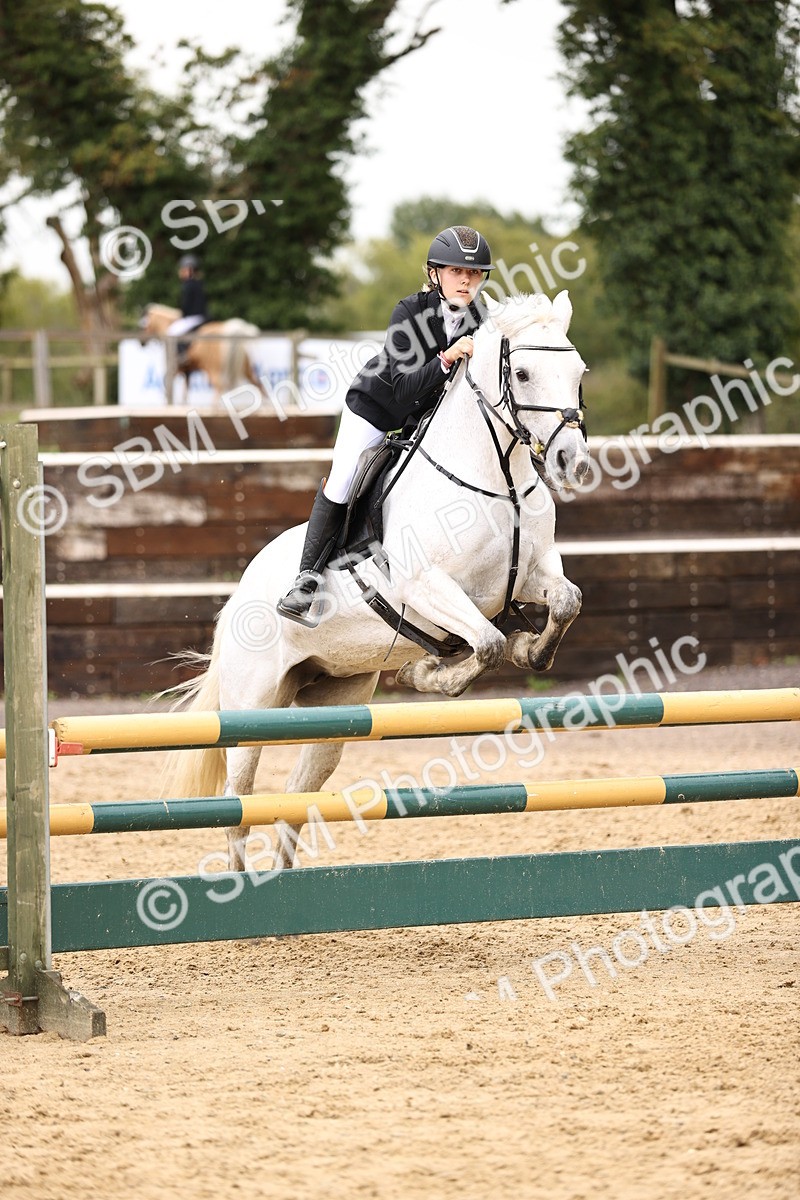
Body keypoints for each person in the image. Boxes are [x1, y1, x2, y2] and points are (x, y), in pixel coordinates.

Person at [277, 225, 494, 623]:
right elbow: (402, 390)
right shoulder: (408, 312)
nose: (466, 280)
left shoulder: (482, 316)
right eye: (456, 271)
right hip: (376, 409)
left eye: (475, 273)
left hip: (424, 417)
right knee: (344, 478)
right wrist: (447, 358)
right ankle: (306, 580)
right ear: (435, 274)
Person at [166, 253, 209, 369]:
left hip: (194, 317)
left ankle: (182, 357)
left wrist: (181, 315)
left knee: (172, 331)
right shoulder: (199, 282)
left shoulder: (188, 285)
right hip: (202, 316)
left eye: (183, 269)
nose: (181, 271)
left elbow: (186, 306)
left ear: (190, 270)